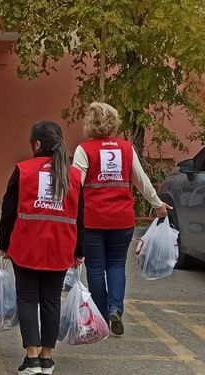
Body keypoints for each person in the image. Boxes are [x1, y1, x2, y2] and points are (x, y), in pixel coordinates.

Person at [73, 102, 171, 336]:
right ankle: (115, 307)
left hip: (93, 219)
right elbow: (141, 180)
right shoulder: (126, 148)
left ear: (89, 123)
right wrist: (157, 204)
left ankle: (101, 314)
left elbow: (75, 185)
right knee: (116, 264)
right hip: (122, 218)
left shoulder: (84, 150)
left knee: (95, 267)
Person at [0, 121, 84, 375]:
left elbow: (8, 210)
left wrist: (4, 243)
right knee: (51, 301)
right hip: (60, 247)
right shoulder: (74, 175)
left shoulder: (23, 170)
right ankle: (47, 359)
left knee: (27, 299)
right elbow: (81, 216)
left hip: (26, 246)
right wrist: (79, 251)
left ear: (36, 145)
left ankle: (32, 357)